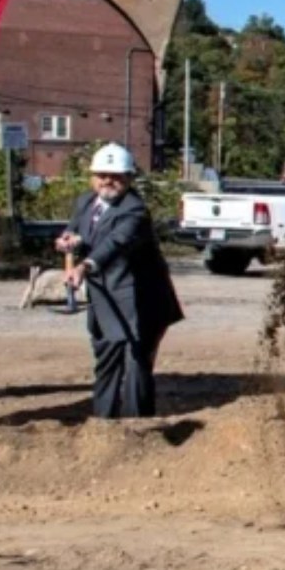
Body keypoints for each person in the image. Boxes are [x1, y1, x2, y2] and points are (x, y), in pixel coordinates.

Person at [54, 142, 184, 419]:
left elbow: (115, 243)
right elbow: (77, 230)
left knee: (137, 363)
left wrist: (85, 266)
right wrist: (69, 239)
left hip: (143, 300)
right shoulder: (85, 202)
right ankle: (104, 422)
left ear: (129, 179)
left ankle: (138, 425)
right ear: (92, 177)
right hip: (106, 298)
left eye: (116, 176)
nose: (107, 181)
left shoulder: (134, 210)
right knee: (107, 359)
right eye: (102, 175)